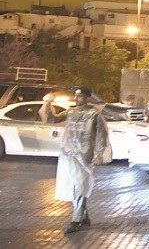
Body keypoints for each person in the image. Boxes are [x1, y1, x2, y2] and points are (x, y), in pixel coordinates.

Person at [40, 88, 112, 235]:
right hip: (69, 155)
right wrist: (48, 102)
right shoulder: (71, 112)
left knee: (80, 186)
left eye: (80, 96)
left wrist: (98, 154)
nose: (76, 98)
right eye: (76, 95)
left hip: (85, 156)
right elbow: (53, 118)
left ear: (87, 99)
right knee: (76, 185)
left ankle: (76, 221)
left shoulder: (94, 115)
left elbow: (101, 135)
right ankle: (84, 217)